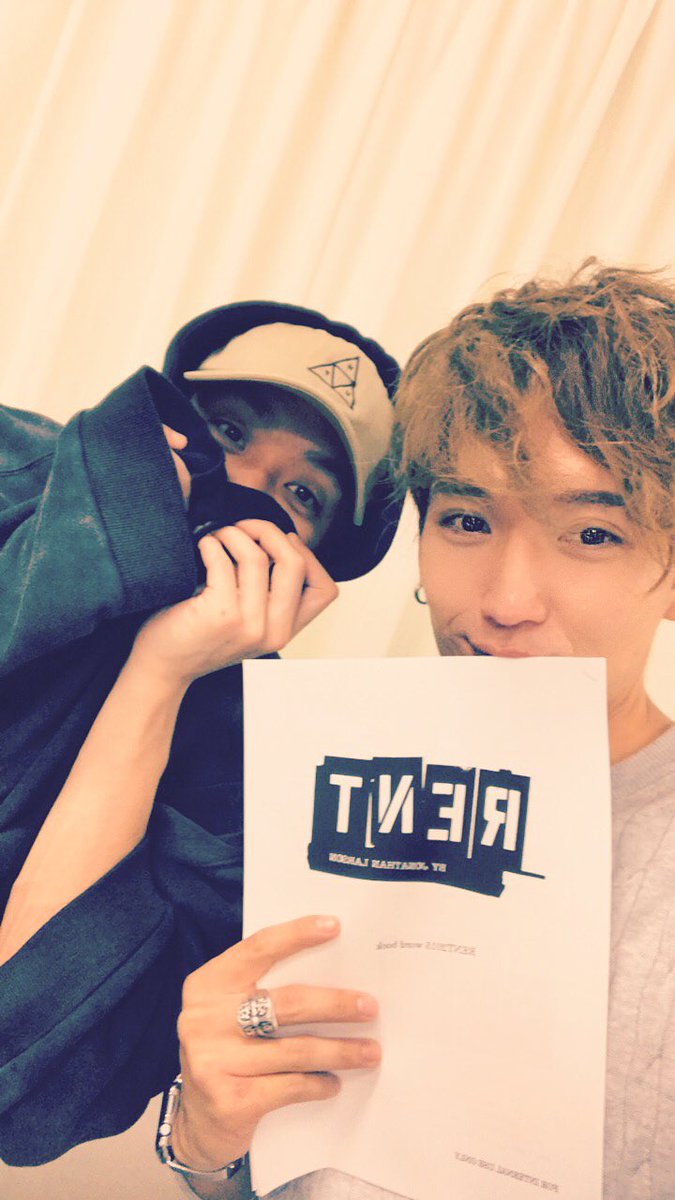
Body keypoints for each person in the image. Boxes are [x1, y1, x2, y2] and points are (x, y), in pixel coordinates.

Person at [7, 260, 673, 1200]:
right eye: (466, 520)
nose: (505, 601)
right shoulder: (318, 784)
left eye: (592, 534)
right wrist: (205, 1139)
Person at [0, 301, 401, 1165]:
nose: (244, 483)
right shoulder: (14, 477)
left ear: (318, 560)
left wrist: (160, 674)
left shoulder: (256, 768)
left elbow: (34, 1085)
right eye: (227, 431)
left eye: (301, 493)